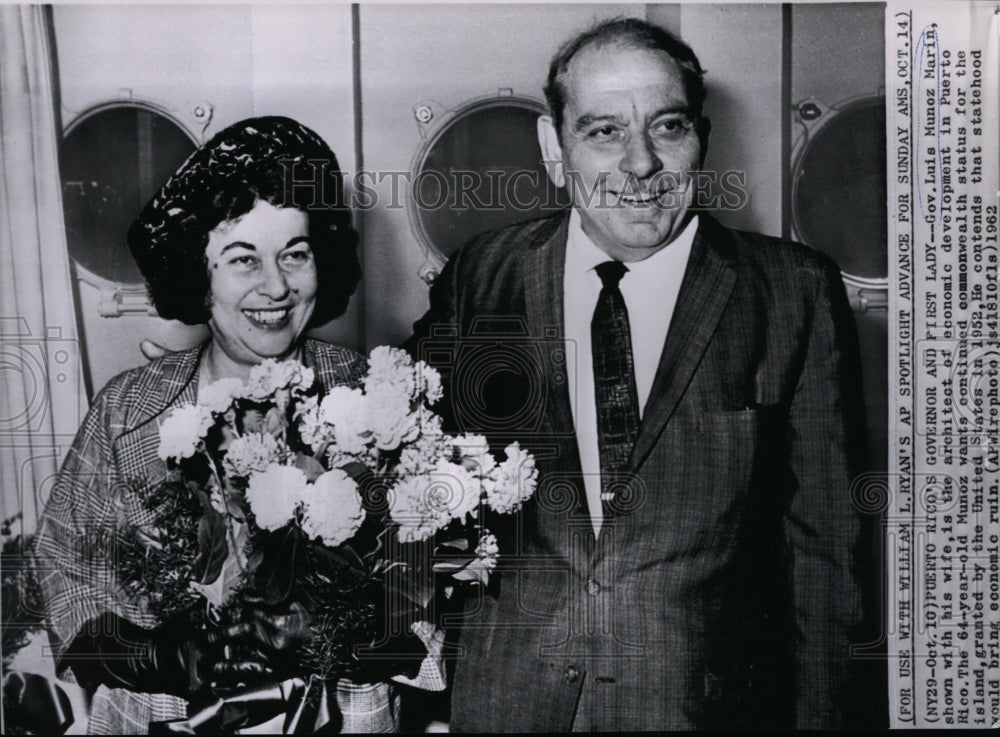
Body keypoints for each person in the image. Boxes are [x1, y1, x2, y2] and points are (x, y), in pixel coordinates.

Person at [408, 18, 876, 731]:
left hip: (701, 708)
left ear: (702, 137)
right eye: (603, 131)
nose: (640, 164)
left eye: (667, 127)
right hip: (508, 706)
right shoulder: (485, 275)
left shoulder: (792, 293)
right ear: (552, 147)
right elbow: (407, 470)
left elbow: (826, 562)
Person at [32, 116, 397, 733]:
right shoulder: (127, 410)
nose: (276, 286)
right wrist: (149, 655)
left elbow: (436, 593)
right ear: (198, 276)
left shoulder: (376, 402)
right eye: (242, 259)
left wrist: (351, 627)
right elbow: (63, 567)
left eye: (295, 254)